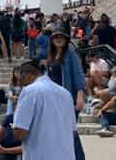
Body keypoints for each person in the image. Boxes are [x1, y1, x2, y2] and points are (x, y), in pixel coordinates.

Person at [13, 60, 76, 160]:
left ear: (27, 75)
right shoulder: (66, 93)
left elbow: (19, 133)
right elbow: (72, 131)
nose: (20, 85)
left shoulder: (29, 91)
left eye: (20, 80)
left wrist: (16, 111)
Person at [46, 28, 86, 160]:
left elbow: (79, 75)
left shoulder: (71, 54)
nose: (58, 39)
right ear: (52, 40)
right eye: (55, 37)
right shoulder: (50, 55)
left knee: (70, 130)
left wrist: (80, 96)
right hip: (53, 99)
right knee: (59, 130)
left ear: (66, 39)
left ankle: (79, 157)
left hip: (68, 98)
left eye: (61, 37)